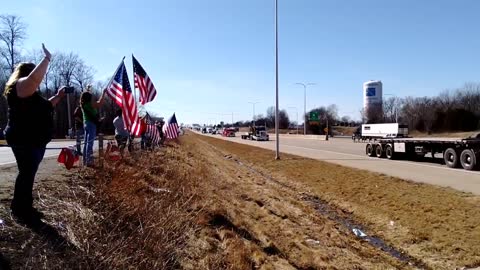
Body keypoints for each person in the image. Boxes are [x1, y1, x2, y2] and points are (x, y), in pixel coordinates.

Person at [4, 44, 66, 223]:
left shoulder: (32, 95)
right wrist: (46, 59)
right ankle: (20, 208)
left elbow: (48, 104)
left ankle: (24, 206)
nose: (38, 79)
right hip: (23, 139)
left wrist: (59, 96)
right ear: (25, 74)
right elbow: (32, 80)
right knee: (26, 172)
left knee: (28, 172)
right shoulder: (19, 87)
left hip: (34, 140)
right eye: (33, 74)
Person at [80, 86, 106, 167]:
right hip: (91, 124)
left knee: (86, 143)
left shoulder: (83, 104)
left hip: (86, 124)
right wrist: (103, 93)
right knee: (90, 143)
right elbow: (100, 103)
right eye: (91, 97)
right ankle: (89, 161)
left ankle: (85, 160)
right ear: (89, 98)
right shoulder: (89, 104)